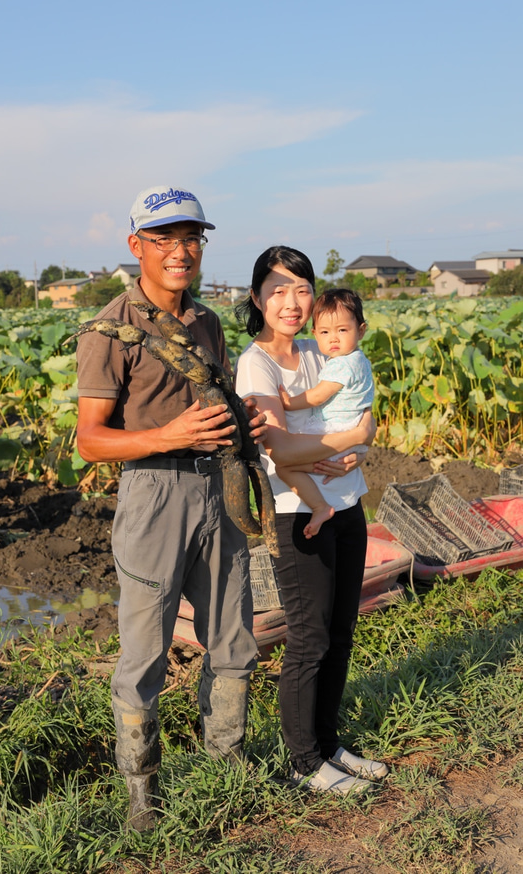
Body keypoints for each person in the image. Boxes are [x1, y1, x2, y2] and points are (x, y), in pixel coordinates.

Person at [75, 185, 264, 831]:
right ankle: (142, 801)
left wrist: (246, 424)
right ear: (136, 247)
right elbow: (90, 439)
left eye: (191, 238)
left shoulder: (206, 323)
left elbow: (215, 408)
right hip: (153, 493)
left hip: (220, 486)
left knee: (233, 639)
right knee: (144, 652)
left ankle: (226, 767)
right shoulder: (107, 330)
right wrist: (171, 436)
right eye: (164, 239)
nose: (180, 251)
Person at [235, 245, 389, 796]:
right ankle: (303, 762)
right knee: (309, 639)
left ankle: (329, 744)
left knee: (342, 633)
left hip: (347, 502)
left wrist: (358, 450)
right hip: (298, 514)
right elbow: (279, 448)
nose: (291, 301)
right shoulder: (256, 364)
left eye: (301, 288)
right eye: (277, 290)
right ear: (257, 298)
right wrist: (354, 438)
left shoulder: (324, 348)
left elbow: (361, 409)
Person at [275, 288, 374, 538]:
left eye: (342, 330)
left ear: (361, 331)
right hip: (354, 436)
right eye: (325, 332)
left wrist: (287, 402)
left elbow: (318, 395)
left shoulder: (341, 364)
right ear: (315, 334)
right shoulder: (361, 360)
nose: (334, 339)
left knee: (285, 467)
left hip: (335, 433)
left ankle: (320, 507)